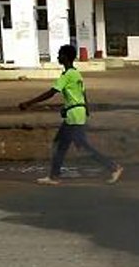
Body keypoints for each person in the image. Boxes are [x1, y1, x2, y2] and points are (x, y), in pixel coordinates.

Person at [18, 44, 123, 186]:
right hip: (76, 113)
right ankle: (54, 176)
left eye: (60, 54)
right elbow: (82, 93)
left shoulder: (67, 75)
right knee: (62, 144)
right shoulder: (76, 73)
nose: (58, 57)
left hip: (74, 115)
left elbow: (52, 92)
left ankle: (113, 167)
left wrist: (29, 103)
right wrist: (84, 109)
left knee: (75, 146)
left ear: (65, 57)